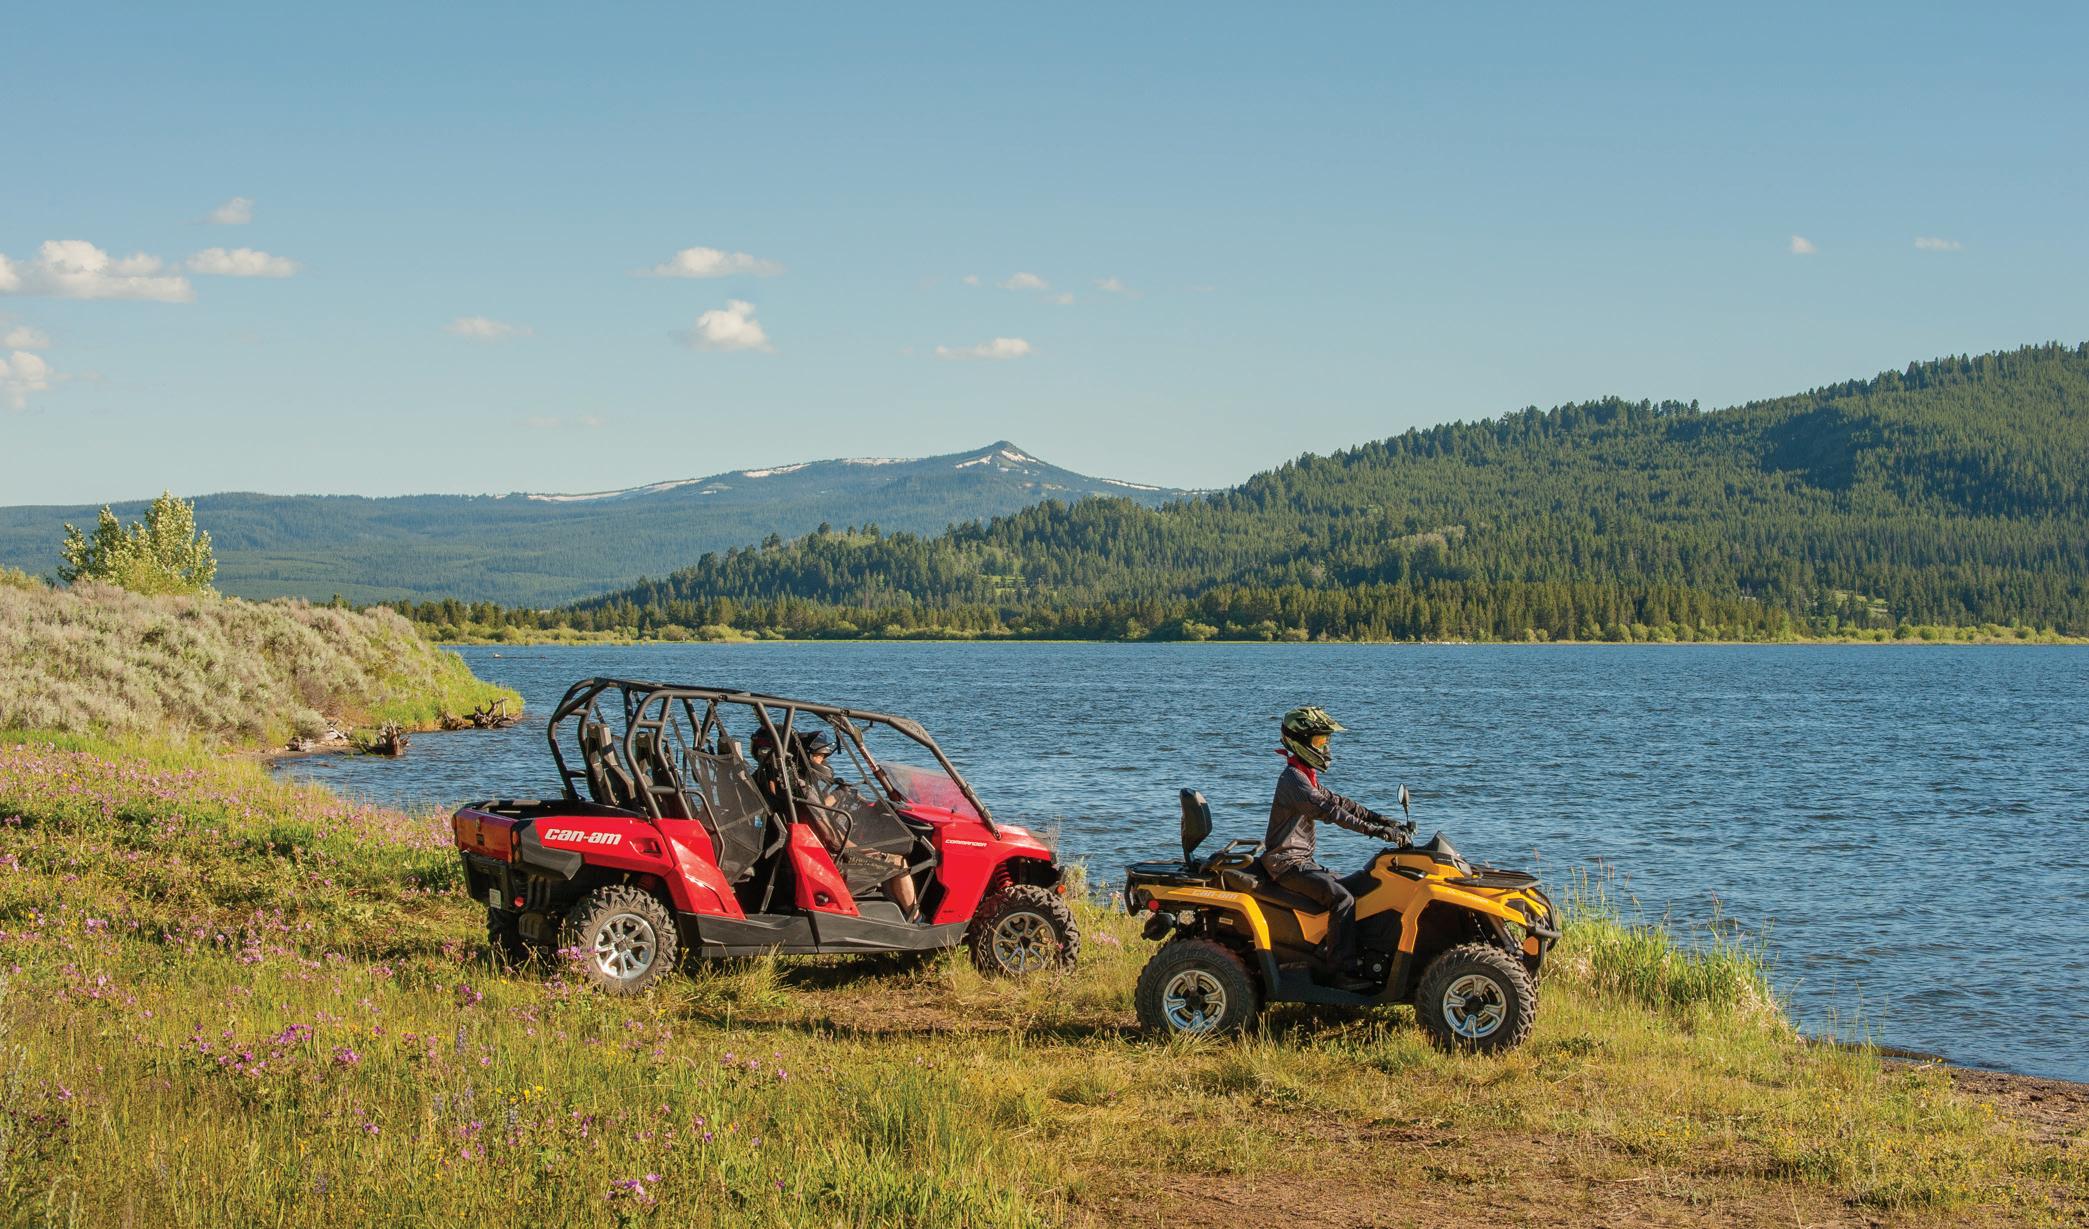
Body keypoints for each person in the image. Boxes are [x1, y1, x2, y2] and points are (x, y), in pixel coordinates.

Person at [1261, 706, 1404, 986]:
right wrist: (1375, 832)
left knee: (1355, 887)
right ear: (1299, 741)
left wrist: (1384, 820)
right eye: (1319, 741)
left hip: (1301, 862)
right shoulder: (1293, 780)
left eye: (1325, 741)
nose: (1324, 747)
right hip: (1287, 865)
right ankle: (1341, 972)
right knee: (1343, 899)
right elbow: (1330, 811)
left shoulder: (1304, 776)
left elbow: (1341, 802)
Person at [791, 730, 922, 919]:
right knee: (898, 863)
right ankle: (915, 917)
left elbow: (817, 810)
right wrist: (865, 851)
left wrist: (838, 794)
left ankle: (896, 910)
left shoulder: (800, 786)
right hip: (836, 857)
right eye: (820, 756)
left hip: (821, 851)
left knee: (885, 858)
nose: (823, 761)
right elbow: (833, 839)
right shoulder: (806, 790)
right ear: (808, 757)